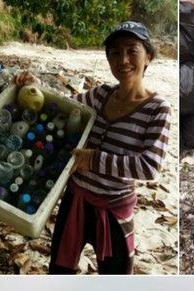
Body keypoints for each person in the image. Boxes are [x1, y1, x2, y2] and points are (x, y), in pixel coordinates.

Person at [15, 21, 171, 275]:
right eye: (115, 53)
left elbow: (149, 166)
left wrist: (94, 159)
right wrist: (35, 85)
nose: (124, 60)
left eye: (132, 50)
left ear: (148, 57)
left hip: (113, 210)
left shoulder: (157, 108)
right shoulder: (101, 95)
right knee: (59, 272)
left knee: (115, 280)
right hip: (75, 200)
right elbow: (63, 104)